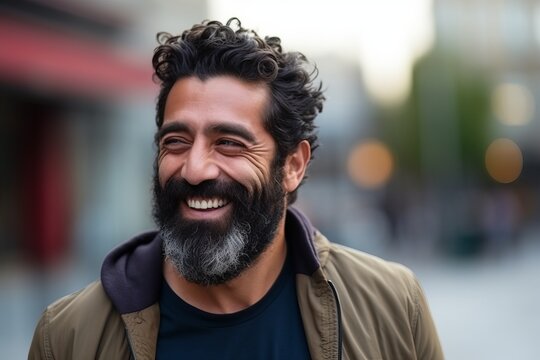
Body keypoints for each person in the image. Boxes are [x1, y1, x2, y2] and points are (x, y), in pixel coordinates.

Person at [28, 18, 443, 360]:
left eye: (229, 143)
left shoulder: (393, 307)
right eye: (176, 142)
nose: (194, 169)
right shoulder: (67, 338)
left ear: (293, 166)